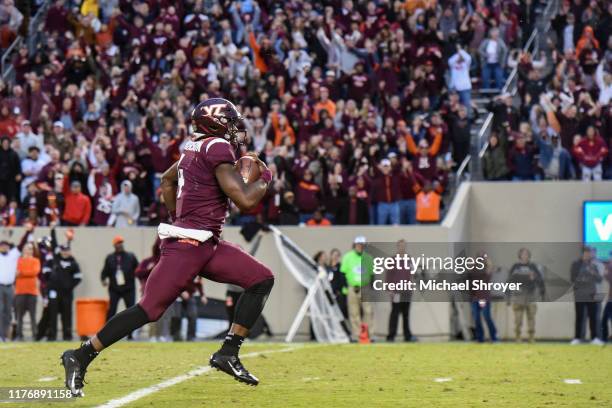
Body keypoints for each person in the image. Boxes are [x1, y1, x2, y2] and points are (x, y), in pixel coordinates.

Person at [62, 98, 275, 396]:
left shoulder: (193, 146)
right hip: (190, 244)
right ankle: (81, 355)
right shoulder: (216, 147)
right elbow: (246, 199)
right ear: (215, 123)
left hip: (206, 242)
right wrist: (265, 177)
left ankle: (228, 352)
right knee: (149, 309)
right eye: (229, 121)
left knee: (261, 279)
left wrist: (178, 217)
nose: (234, 127)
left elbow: (166, 180)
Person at [506, 248, 545, 343]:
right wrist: (508, 295)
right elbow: (509, 281)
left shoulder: (533, 267)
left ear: (529, 255)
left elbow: (540, 280)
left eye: (526, 254)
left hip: (531, 295)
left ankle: (531, 337)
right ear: (519, 255)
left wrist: (542, 292)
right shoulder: (515, 267)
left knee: (531, 317)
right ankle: (517, 336)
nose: (525, 256)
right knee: (518, 319)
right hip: (518, 295)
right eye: (523, 254)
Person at [0, 226, 31, 341]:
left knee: (8, 312)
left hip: (9, 287)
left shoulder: (13, 254)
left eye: (5, 246)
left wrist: (27, 232)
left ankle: (5, 335)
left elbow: (21, 244)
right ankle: (0, 335)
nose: (4, 247)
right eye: (2, 246)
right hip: (0, 286)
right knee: (0, 310)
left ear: (8, 247)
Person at [340, 235, 374, 340]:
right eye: (358, 244)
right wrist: (345, 287)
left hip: (365, 287)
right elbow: (342, 273)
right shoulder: (347, 257)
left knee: (368, 312)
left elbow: (372, 274)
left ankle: (369, 334)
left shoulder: (368, 258)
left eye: (362, 245)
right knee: (354, 312)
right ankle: (357, 334)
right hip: (352, 287)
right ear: (354, 245)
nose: (360, 246)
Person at [47, 242, 82, 341]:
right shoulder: (54, 261)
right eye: (63, 250)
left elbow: (78, 277)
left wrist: (69, 286)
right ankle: (52, 336)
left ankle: (67, 336)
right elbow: (46, 274)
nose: (65, 252)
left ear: (69, 251)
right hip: (54, 292)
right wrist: (51, 285)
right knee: (52, 314)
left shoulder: (73, 263)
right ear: (60, 251)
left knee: (67, 315)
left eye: (67, 250)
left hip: (67, 293)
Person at [570, 247, 604, 345]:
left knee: (593, 317)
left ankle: (594, 338)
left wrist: (593, 272)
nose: (587, 255)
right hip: (580, 294)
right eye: (586, 253)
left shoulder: (593, 265)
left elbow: (599, 280)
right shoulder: (576, 264)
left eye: (589, 253)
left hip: (592, 294)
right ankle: (577, 338)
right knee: (579, 316)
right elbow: (572, 278)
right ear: (582, 254)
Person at [100, 236, 139, 324]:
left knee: (130, 311)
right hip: (114, 288)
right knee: (111, 310)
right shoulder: (110, 258)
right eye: (118, 243)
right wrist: (103, 279)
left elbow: (138, 270)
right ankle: (107, 331)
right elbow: (104, 271)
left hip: (128, 288)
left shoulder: (131, 256)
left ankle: (131, 333)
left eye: (121, 243)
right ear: (114, 245)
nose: (120, 245)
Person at [386, 240, 414, 342]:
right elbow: (388, 275)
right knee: (395, 313)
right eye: (400, 246)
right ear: (397, 247)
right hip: (396, 292)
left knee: (406, 314)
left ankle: (407, 336)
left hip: (406, 291)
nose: (402, 247)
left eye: (404, 246)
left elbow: (411, 273)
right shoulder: (392, 260)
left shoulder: (409, 259)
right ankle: (391, 335)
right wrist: (389, 289)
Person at [14, 236, 41, 340]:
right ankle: (19, 335)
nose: (28, 250)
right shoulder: (19, 260)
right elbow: (16, 272)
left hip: (32, 292)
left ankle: (35, 335)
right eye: (27, 248)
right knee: (19, 315)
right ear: (23, 249)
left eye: (30, 248)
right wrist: (23, 273)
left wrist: (21, 273)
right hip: (20, 291)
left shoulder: (36, 261)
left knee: (33, 315)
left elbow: (34, 272)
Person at [469, 253, 498, 343]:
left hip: (484, 298)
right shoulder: (472, 272)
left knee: (487, 317)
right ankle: (480, 338)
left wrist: (485, 257)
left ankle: (494, 337)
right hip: (475, 299)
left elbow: (490, 266)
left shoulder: (486, 272)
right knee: (477, 318)